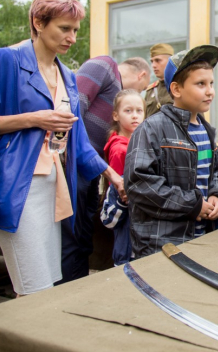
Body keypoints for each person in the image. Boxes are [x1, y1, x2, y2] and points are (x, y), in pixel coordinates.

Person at [0, 0, 126, 297]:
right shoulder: (4, 60)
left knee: (45, 285)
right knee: (34, 287)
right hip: (18, 186)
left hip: (56, 186)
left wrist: (112, 175)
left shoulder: (67, 75)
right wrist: (34, 119)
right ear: (38, 22)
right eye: (65, 28)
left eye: (75, 30)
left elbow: (78, 140)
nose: (72, 37)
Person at [125, 45, 218, 258]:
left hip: (201, 239)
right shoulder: (151, 129)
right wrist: (192, 205)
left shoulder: (207, 131)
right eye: (200, 84)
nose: (210, 91)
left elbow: (214, 171)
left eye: (211, 83)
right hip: (161, 245)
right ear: (177, 90)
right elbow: (139, 185)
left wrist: (216, 194)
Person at [59, 55, 150, 283]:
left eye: (139, 109)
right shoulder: (105, 65)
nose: (135, 114)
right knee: (71, 237)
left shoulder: (116, 91)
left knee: (83, 238)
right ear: (142, 77)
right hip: (74, 164)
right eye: (143, 89)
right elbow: (72, 106)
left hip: (91, 168)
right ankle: (65, 291)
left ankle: (79, 288)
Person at [100, 89, 145, 265]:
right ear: (115, 115)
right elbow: (119, 190)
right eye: (128, 110)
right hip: (127, 217)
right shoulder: (120, 149)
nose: (135, 116)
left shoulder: (138, 142)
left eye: (139, 110)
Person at [144, 43, 174, 117]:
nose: (153, 65)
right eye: (152, 61)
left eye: (158, 60)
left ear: (170, 61)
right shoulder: (150, 90)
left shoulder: (181, 87)